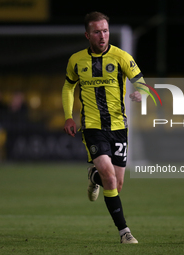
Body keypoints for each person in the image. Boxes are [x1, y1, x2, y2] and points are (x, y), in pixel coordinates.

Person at [62, 11, 148, 244]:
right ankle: (125, 232)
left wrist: (140, 93)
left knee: (116, 185)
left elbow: (142, 83)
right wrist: (68, 117)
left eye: (106, 31)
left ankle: (93, 176)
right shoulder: (76, 60)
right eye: (97, 32)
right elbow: (68, 87)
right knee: (110, 178)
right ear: (87, 35)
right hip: (92, 127)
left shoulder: (121, 57)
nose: (103, 36)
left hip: (119, 127)